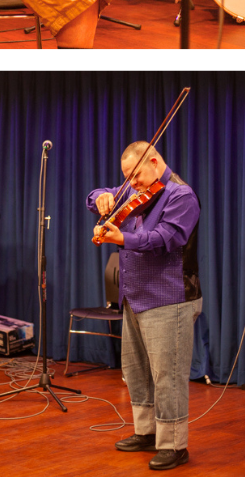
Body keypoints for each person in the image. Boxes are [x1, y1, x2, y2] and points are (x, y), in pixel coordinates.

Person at [89, 142, 200, 470]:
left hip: (169, 298)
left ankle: (174, 445)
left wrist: (121, 239)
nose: (132, 183)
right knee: (136, 371)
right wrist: (101, 197)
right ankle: (146, 432)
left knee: (168, 375)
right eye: (127, 178)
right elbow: (93, 197)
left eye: (135, 176)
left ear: (154, 162)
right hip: (134, 296)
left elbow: (165, 239)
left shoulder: (181, 195)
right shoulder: (134, 190)